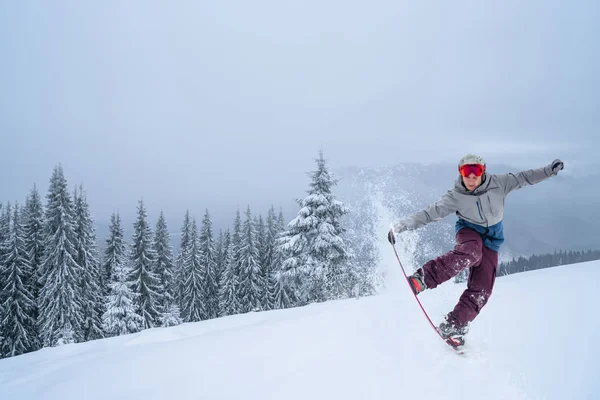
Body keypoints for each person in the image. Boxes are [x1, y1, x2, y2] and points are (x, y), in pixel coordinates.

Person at [387, 154, 564, 346]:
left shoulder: (500, 183)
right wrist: (400, 226)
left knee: (483, 289)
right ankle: (422, 279)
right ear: (460, 173)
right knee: (471, 253)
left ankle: (454, 325)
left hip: (492, 240)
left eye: (476, 171)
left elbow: (525, 177)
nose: (471, 177)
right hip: (469, 231)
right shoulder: (456, 196)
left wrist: (549, 171)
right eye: (466, 172)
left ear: (483, 171)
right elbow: (430, 213)